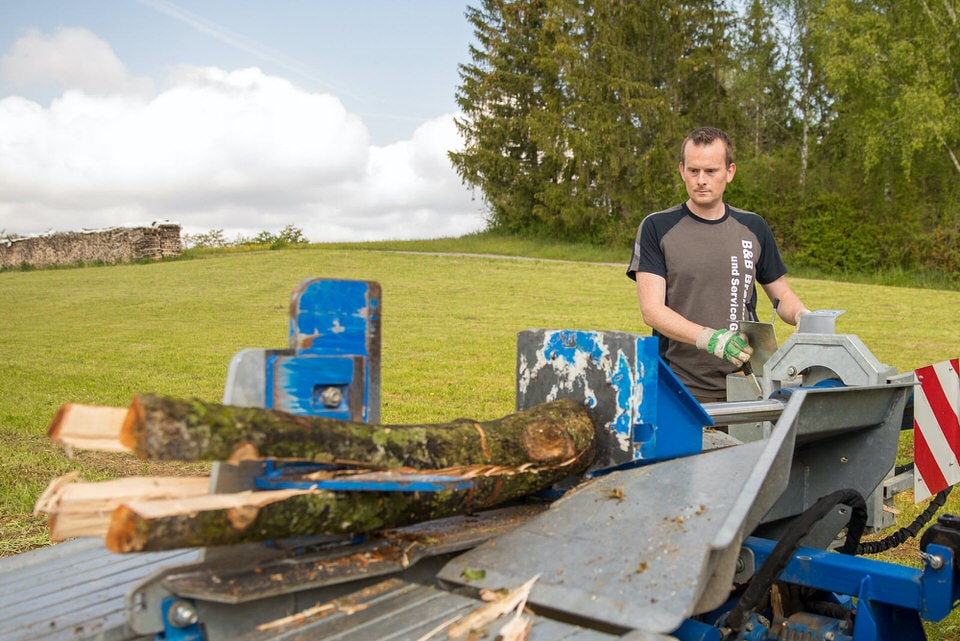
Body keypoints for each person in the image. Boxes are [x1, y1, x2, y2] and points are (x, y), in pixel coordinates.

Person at [626, 126, 809, 402]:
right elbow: (652, 311)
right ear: (681, 170)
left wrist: (804, 317)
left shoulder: (753, 227)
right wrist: (710, 339)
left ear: (730, 172)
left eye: (711, 171)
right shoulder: (657, 227)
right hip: (681, 390)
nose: (701, 180)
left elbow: (781, 294)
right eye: (693, 171)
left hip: (749, 386)